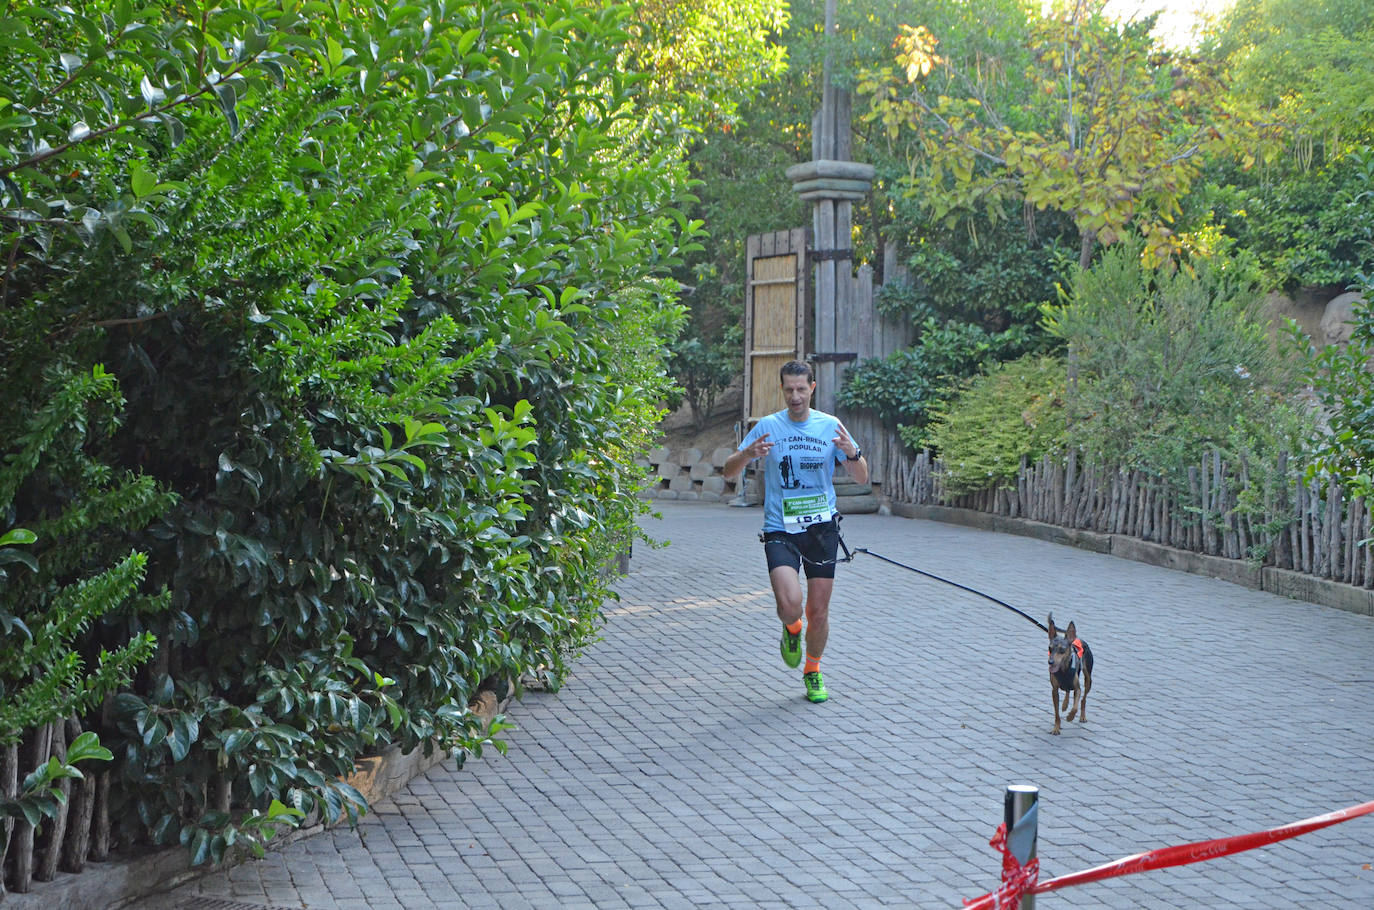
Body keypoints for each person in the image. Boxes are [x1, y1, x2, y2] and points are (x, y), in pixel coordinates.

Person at [723, 360, 868, 703]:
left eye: (801, 389)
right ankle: (792, 629)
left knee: (818, 611)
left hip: (821, 529)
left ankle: (813, 670)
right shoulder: (768, 426)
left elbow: (862, 477)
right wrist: (747, 453)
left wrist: (852, 452)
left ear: (812, 388)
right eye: (789, 389)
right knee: (791, 605)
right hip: (780, 528)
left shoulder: (830, 426)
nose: (795, 396)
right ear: (782, 389)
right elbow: (729, 472)